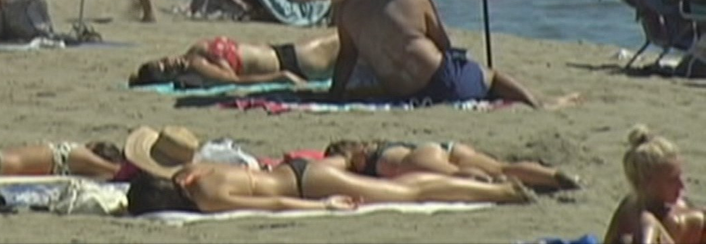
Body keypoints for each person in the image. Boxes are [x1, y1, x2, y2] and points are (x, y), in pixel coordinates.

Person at [330, 0, 550, 108]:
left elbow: (346, 57)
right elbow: (443, 44)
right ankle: (537, 104)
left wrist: (335, 94)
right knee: (490, 76)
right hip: (439, 81)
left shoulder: (348, 6)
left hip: (399, 90)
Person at [124, 155, 535, 215]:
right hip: (298, 168)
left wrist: (325, 207)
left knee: (410, 193)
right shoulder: (194, 170)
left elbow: (276, 206)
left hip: (308, 186)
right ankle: (478, 181)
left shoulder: (205, 198)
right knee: (406, 185)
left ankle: (500, 192)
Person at [323, 139, 581, 192]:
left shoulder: (361, 157)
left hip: (412, 161)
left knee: (459, 177)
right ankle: (553, 176)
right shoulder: (376, 143)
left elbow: (344, 164)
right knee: (501, 166)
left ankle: (500, 187)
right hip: (440, 146)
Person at [603, 126, 704, 244]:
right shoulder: (634, 213)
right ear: (647, 183)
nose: (682, 186)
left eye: (680, 176)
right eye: (672, 180)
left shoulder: (682, 206)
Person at [129, 34, 343, 87]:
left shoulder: (194, 51)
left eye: (164, 61)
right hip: (293, 64)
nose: (171, 64)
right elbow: (234, 81)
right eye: (167, 71)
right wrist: (279, 77)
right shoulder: (197, 66)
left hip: (285, 51)